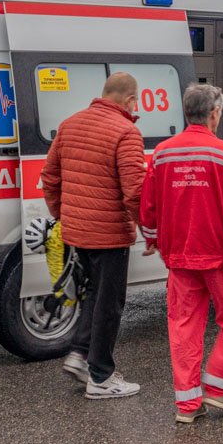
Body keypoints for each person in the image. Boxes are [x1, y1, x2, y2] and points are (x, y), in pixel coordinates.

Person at [140, 84, 223, 424]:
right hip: (220, 259)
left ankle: (187, 405)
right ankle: (218, 383)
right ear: (214, 114)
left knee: (183, 327)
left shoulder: (163, 153)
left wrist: (153, 239)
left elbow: (149, 207)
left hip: (179, 258)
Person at [41, 72, 146, 399]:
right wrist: (150, 229)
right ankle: (101, 377)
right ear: (129, 100)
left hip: (77, 232)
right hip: (109, 234)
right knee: (109, 303)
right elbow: (134, 193)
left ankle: (79, 356)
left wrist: (63, 214)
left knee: (92, 294)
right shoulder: (126, 132)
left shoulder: (70, 124)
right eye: (136, 101)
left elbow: (50, 177)